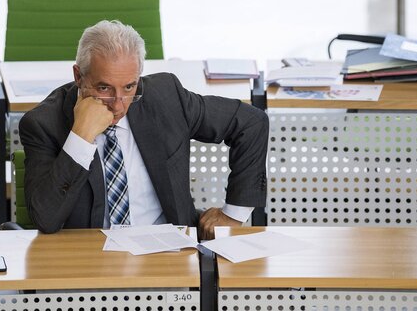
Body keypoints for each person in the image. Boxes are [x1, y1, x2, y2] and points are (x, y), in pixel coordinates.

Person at [19, 20, 268, 239]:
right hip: (90, 264)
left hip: (168, 255)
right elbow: (46, 219)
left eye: (128, 87)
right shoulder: (43, 124)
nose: (118, 105)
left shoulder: (166, 97)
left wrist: (234, 215)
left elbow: (251, 122)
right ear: (78, 76)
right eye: (103, 88)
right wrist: (81, 136)